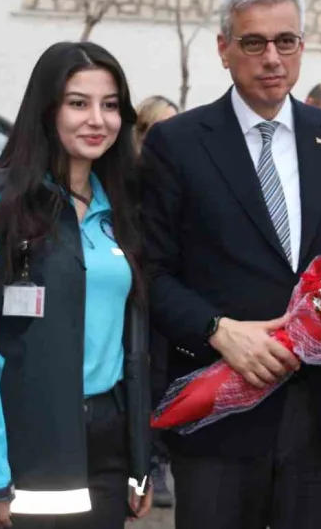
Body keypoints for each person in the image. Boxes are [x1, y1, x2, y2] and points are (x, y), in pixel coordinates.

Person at [139, 0, 321, 529]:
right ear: (224, 49)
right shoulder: (177, 144)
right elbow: (150, 271)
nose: (272, 57)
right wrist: (216, 329)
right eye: (254, 42)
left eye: (286, 41)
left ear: (303, 46)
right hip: (221, 413)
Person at [0, 41, 152, 529]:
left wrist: (139, 456)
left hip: (106, 441)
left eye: (110, 106)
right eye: (78, 103)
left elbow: (133, 337)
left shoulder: (122, 210)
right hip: (24, 441)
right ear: (46, 110)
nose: (97, 120)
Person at [132, 94, 180, 510]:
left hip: (169, 299)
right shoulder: (123, 183)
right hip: (132, 299)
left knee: (165, 377)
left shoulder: (180, 179)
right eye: (156, 129)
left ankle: (159, 460)